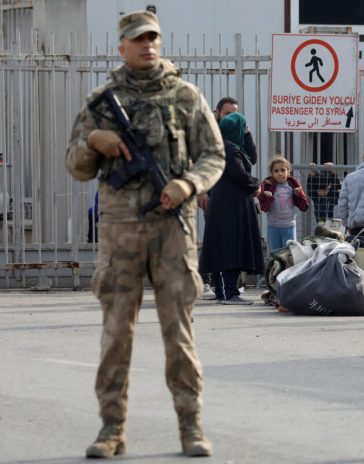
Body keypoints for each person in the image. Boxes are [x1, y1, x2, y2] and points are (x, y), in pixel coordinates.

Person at [65, 10, 224, 458]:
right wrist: (92, 142)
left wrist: (186, 184)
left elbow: (214, 156)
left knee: (180, 332)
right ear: (122, 45)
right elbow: (75, 168)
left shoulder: (185, 96)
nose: (147, 45)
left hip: (173, 228)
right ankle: (111, 428)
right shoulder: (101, 101)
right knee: (117, 332)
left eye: (152, 37)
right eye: (137, 39)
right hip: (120, 232)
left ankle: (190, 425)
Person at [199, 112, 265, 304]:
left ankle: (221, 291)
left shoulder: (222, 147)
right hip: (233, 205)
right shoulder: (230, 150)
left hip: (221, 203)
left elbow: (251, 156)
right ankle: (231, 292)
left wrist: (248, 134)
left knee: (221, 247)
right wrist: (255, 184)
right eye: (243, 128)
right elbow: (239, 174)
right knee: (232, 248)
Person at [197, 96, 244, 300]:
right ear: (217, 113)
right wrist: (202, 191)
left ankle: (222, 287)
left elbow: (252, 155)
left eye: (235, 112)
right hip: (214, 195)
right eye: (227, 112)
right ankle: (215, 284)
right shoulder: (209, 136)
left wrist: (247, 131)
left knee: (227, 242)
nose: (232, 116)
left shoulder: (237, 132)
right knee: (216, 241)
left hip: (232, 197)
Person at [258, 156, 309, 251]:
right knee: (275, 254)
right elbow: (261, 202)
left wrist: (299, 194)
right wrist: (265, 195)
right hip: (273, 227)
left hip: (289, 226)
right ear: (272, 173)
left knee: (290, 254)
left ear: (288, 172)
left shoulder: (293, 186)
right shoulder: (268, 185)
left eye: (283, 170)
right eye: (276, 171)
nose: (280, 173)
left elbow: (303, 204)